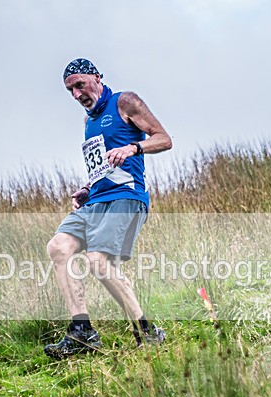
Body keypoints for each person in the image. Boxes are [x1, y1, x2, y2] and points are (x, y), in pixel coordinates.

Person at [44, 58, 173, 358]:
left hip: (126, 197)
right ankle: (82, 332)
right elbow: (101, 166)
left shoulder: (125, 102)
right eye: (70, 91)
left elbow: (164, 139)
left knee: (97, 261)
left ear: (97, 78)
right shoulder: (88, 122)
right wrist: (88, 189)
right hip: (97, 201)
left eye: (80, 85)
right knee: (58, 247)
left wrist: (133, 147)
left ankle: (146, 332)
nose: (77, 95)